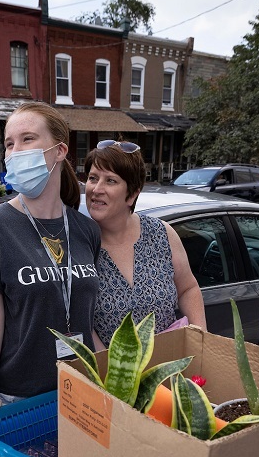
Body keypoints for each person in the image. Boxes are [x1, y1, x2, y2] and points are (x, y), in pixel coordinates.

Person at [0, 103, 101, 435]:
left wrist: (112, 375)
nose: (15, 152)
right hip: (18, 399)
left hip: (82, 391)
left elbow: (88, 315)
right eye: (10, 143)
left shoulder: (86, 230)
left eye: (27, 139)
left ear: (60, 150)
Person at [84, 140, 206, 344]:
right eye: (92, 178)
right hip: (111, 372)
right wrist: (108, 369)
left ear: (132, 194)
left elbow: (188, 288)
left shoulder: (161, 233)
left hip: (170, 366)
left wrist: (201, 339)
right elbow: (82, 321)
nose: (96, 189)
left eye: (110, 181)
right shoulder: (81, 245)